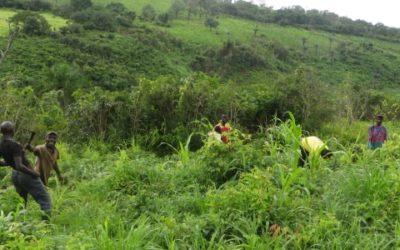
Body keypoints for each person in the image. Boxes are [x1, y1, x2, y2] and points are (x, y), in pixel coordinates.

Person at [0, 121, 51, 220]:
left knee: (22, 200)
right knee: (45, 200)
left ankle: (20, 222)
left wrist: (10, 163)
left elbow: (12, 163)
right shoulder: (15, 145)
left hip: (15, 175)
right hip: (26, 175)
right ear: (12, 131)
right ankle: (46, 226)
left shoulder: (1, 144)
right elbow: (20, 165)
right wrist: (34, 173)